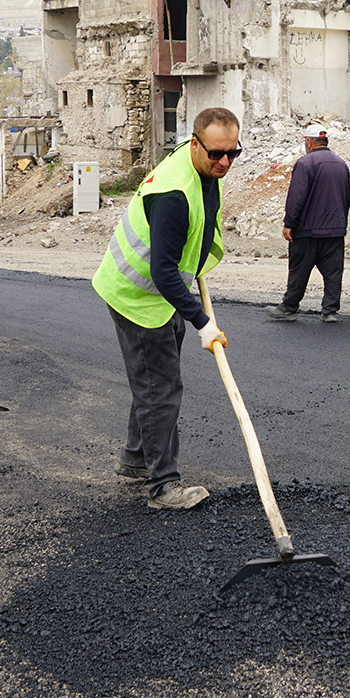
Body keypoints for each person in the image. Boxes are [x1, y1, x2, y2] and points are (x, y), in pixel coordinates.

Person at [90, 108, 240, 510]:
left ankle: (137, 457)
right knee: (161, 386)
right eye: (216, 154)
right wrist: (202, 322)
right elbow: (161, 272)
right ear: (195, 144)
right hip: (137, 295)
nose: (224, 162)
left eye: (233, 153)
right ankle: (163, 486)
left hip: (164, 293)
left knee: (153, 380)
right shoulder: (174, 194)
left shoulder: (204, 170)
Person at [266, 123, 350, 323]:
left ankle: (289, 308)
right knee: (333, 273)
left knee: (299, 271)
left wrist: (289, 223)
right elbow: (346, 198)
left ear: (309, 142)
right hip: (334, 231)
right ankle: (329, 311)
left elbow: (297, 197)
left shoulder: (305, 163)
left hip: (308, 231)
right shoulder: (341, 164)